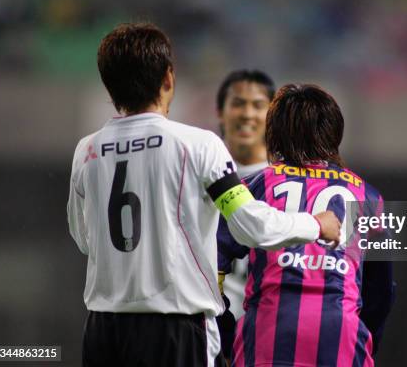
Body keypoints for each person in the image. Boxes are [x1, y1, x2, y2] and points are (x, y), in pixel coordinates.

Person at [67, 22, 341, 367]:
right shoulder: (198, 145)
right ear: (168, 79)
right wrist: (315, 224)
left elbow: (84, 237)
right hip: (175, 328)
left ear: (109, 85)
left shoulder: (86, 150)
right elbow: (250, 226)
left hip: (103, 328)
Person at [218, 84, 395, 367]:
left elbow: (209, 260)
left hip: (267, 336)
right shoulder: (368, 196)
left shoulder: (254, 186)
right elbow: (382, 290)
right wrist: (363, 340)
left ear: (274, 133)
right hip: (342, 335)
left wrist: (226, 333)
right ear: (334, 132)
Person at [215, 70, 275, 359]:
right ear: (220, 112)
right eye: (238, 103)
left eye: (258, 104)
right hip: (206, 332)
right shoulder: (194, 177)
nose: (247, 114)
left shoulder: (288, 184)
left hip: (267, 338)